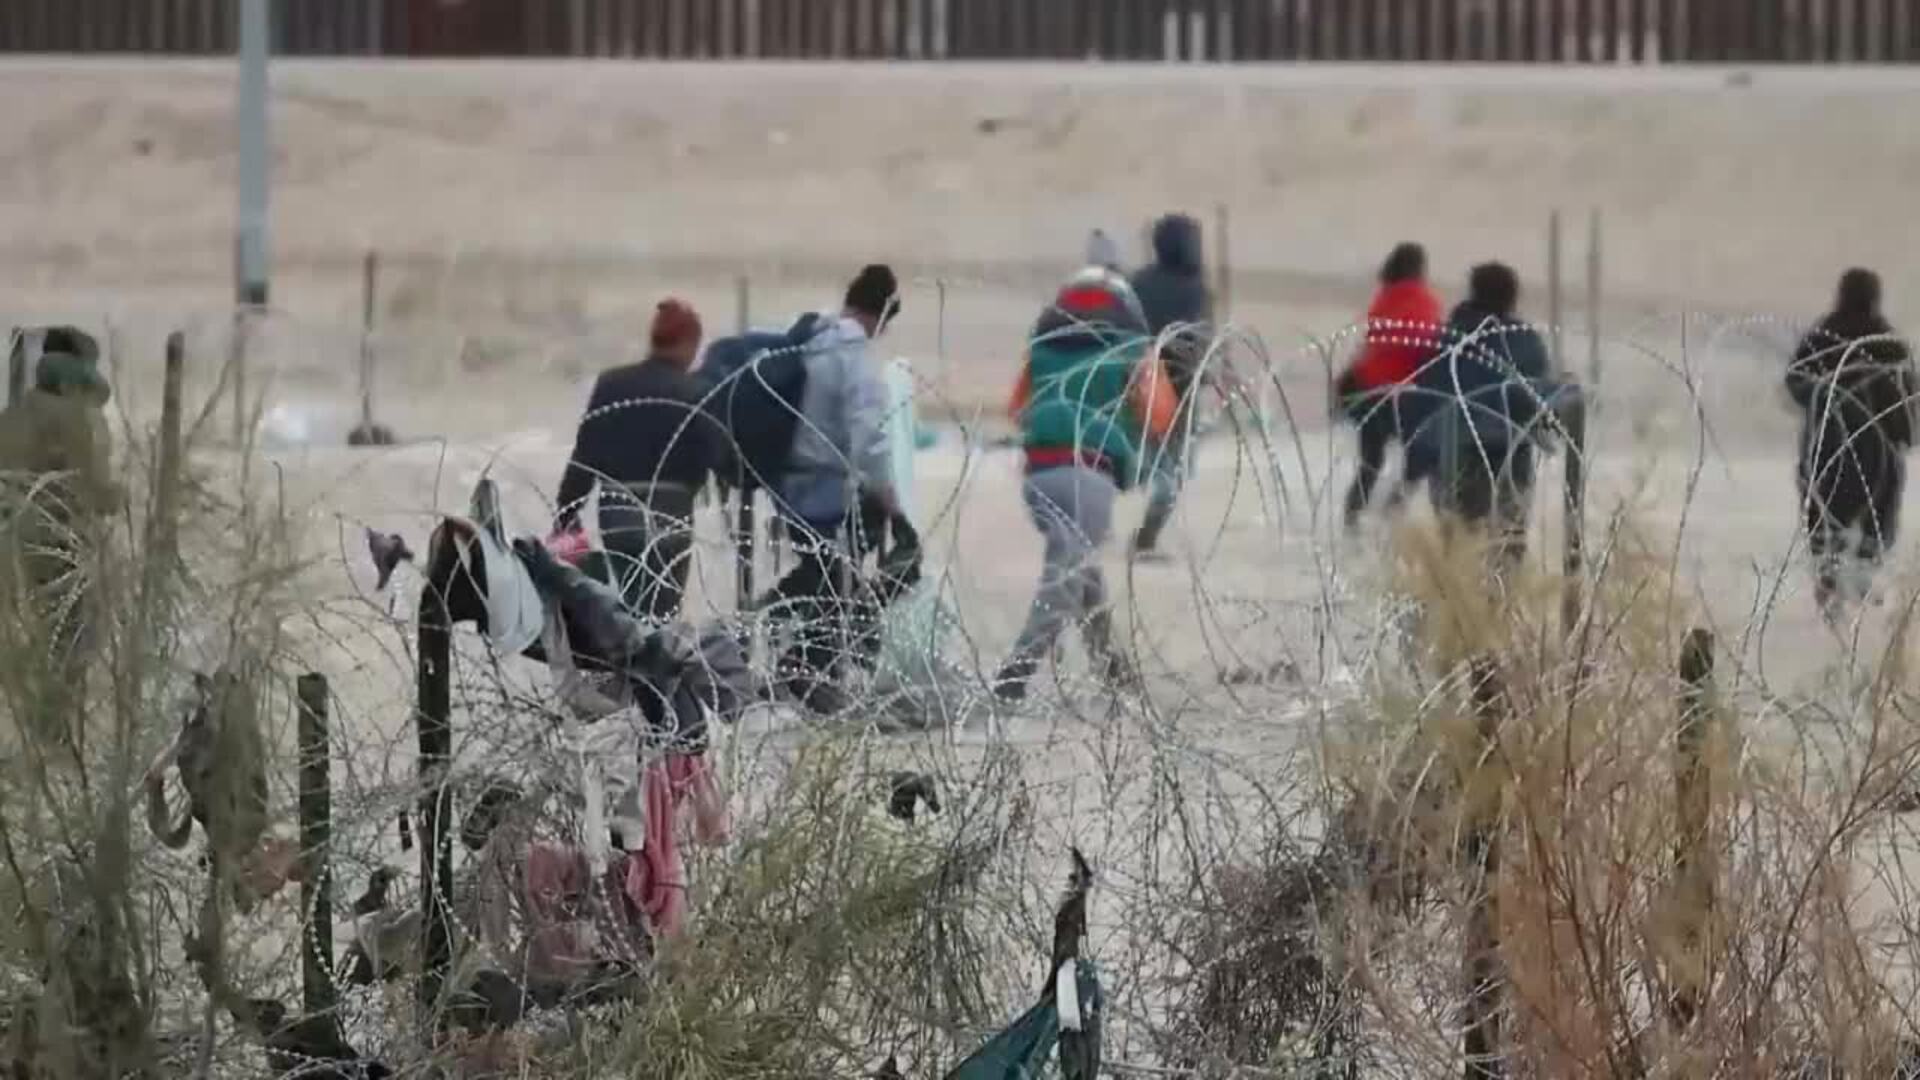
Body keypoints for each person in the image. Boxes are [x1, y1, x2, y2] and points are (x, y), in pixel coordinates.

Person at [994, 267, 1178, 702]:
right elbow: (1159, 414)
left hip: (1039, 473)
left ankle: (1114, 671)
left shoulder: (1042, 350)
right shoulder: (1135, 351)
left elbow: (1017, 409)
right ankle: (1014, 675)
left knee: (1081, 570)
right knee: (1068, 572)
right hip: (1090, 472)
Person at [766, 264, 905, 714]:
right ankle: (803, 669)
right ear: (881, 315)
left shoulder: (810, 338)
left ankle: (791, 651)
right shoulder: (852, 353)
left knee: (823, 573)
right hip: (826, 481)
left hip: (789, 477)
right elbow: (869, 427)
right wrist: (884, 488)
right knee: (835, 581)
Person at [554, 299, 729, 621]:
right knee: (661, 617)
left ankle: (625, 666)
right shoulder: (696, 392)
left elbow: (586, 454)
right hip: (670, 514)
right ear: (689, 343)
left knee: (628, 610)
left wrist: (566, 512)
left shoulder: (612, 384)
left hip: (618, 514)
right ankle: (651, 667)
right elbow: (717, 455)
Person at [0, 326, 117, 749]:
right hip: (59, 539)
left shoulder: (13, 413)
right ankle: (51, 730)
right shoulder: (80, 418)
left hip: (11, 538)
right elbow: (96, 490)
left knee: (29, 637)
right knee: (74, 636)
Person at [1401, 262, 1552, 564]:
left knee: (1458, 543)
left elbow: (1424, 402)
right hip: (1510, 454)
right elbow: (1537, 399)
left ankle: (1458, 604)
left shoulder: (1446, 342)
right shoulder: (1524, 342)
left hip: (1456, 453)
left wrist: (1416, 462)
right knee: (1508, 542)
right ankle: (1499, 604)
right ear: (1512, 297)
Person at [1787, 268, 1916, 619]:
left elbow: (1796, 382)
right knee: (1876, 517)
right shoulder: (1885, 341)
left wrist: (1825, 397)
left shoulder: (1825, 336)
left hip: (1827, 449)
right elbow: (1908, 398)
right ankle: (1857, 579)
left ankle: (1832, 585)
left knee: (1824, 518)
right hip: (1873, 452)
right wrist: (1903, 432)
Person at [1335, 242, 1445, 531]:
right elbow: (1427, 347)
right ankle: (1392, 512)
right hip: (1402, 395)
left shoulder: (1383, 299)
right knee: (1421, 460)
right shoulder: (1425, 301)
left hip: (1368, 390)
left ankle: (1352, 520)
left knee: (1371, 462)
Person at [1126, 212, 1214, 559]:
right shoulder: (1194, 289)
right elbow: (1199, 341)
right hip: (1180, 388)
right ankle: (1147, 536)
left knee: (1144, 458)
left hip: (1139, 380)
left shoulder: (1139, 282)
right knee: (1174, 468)